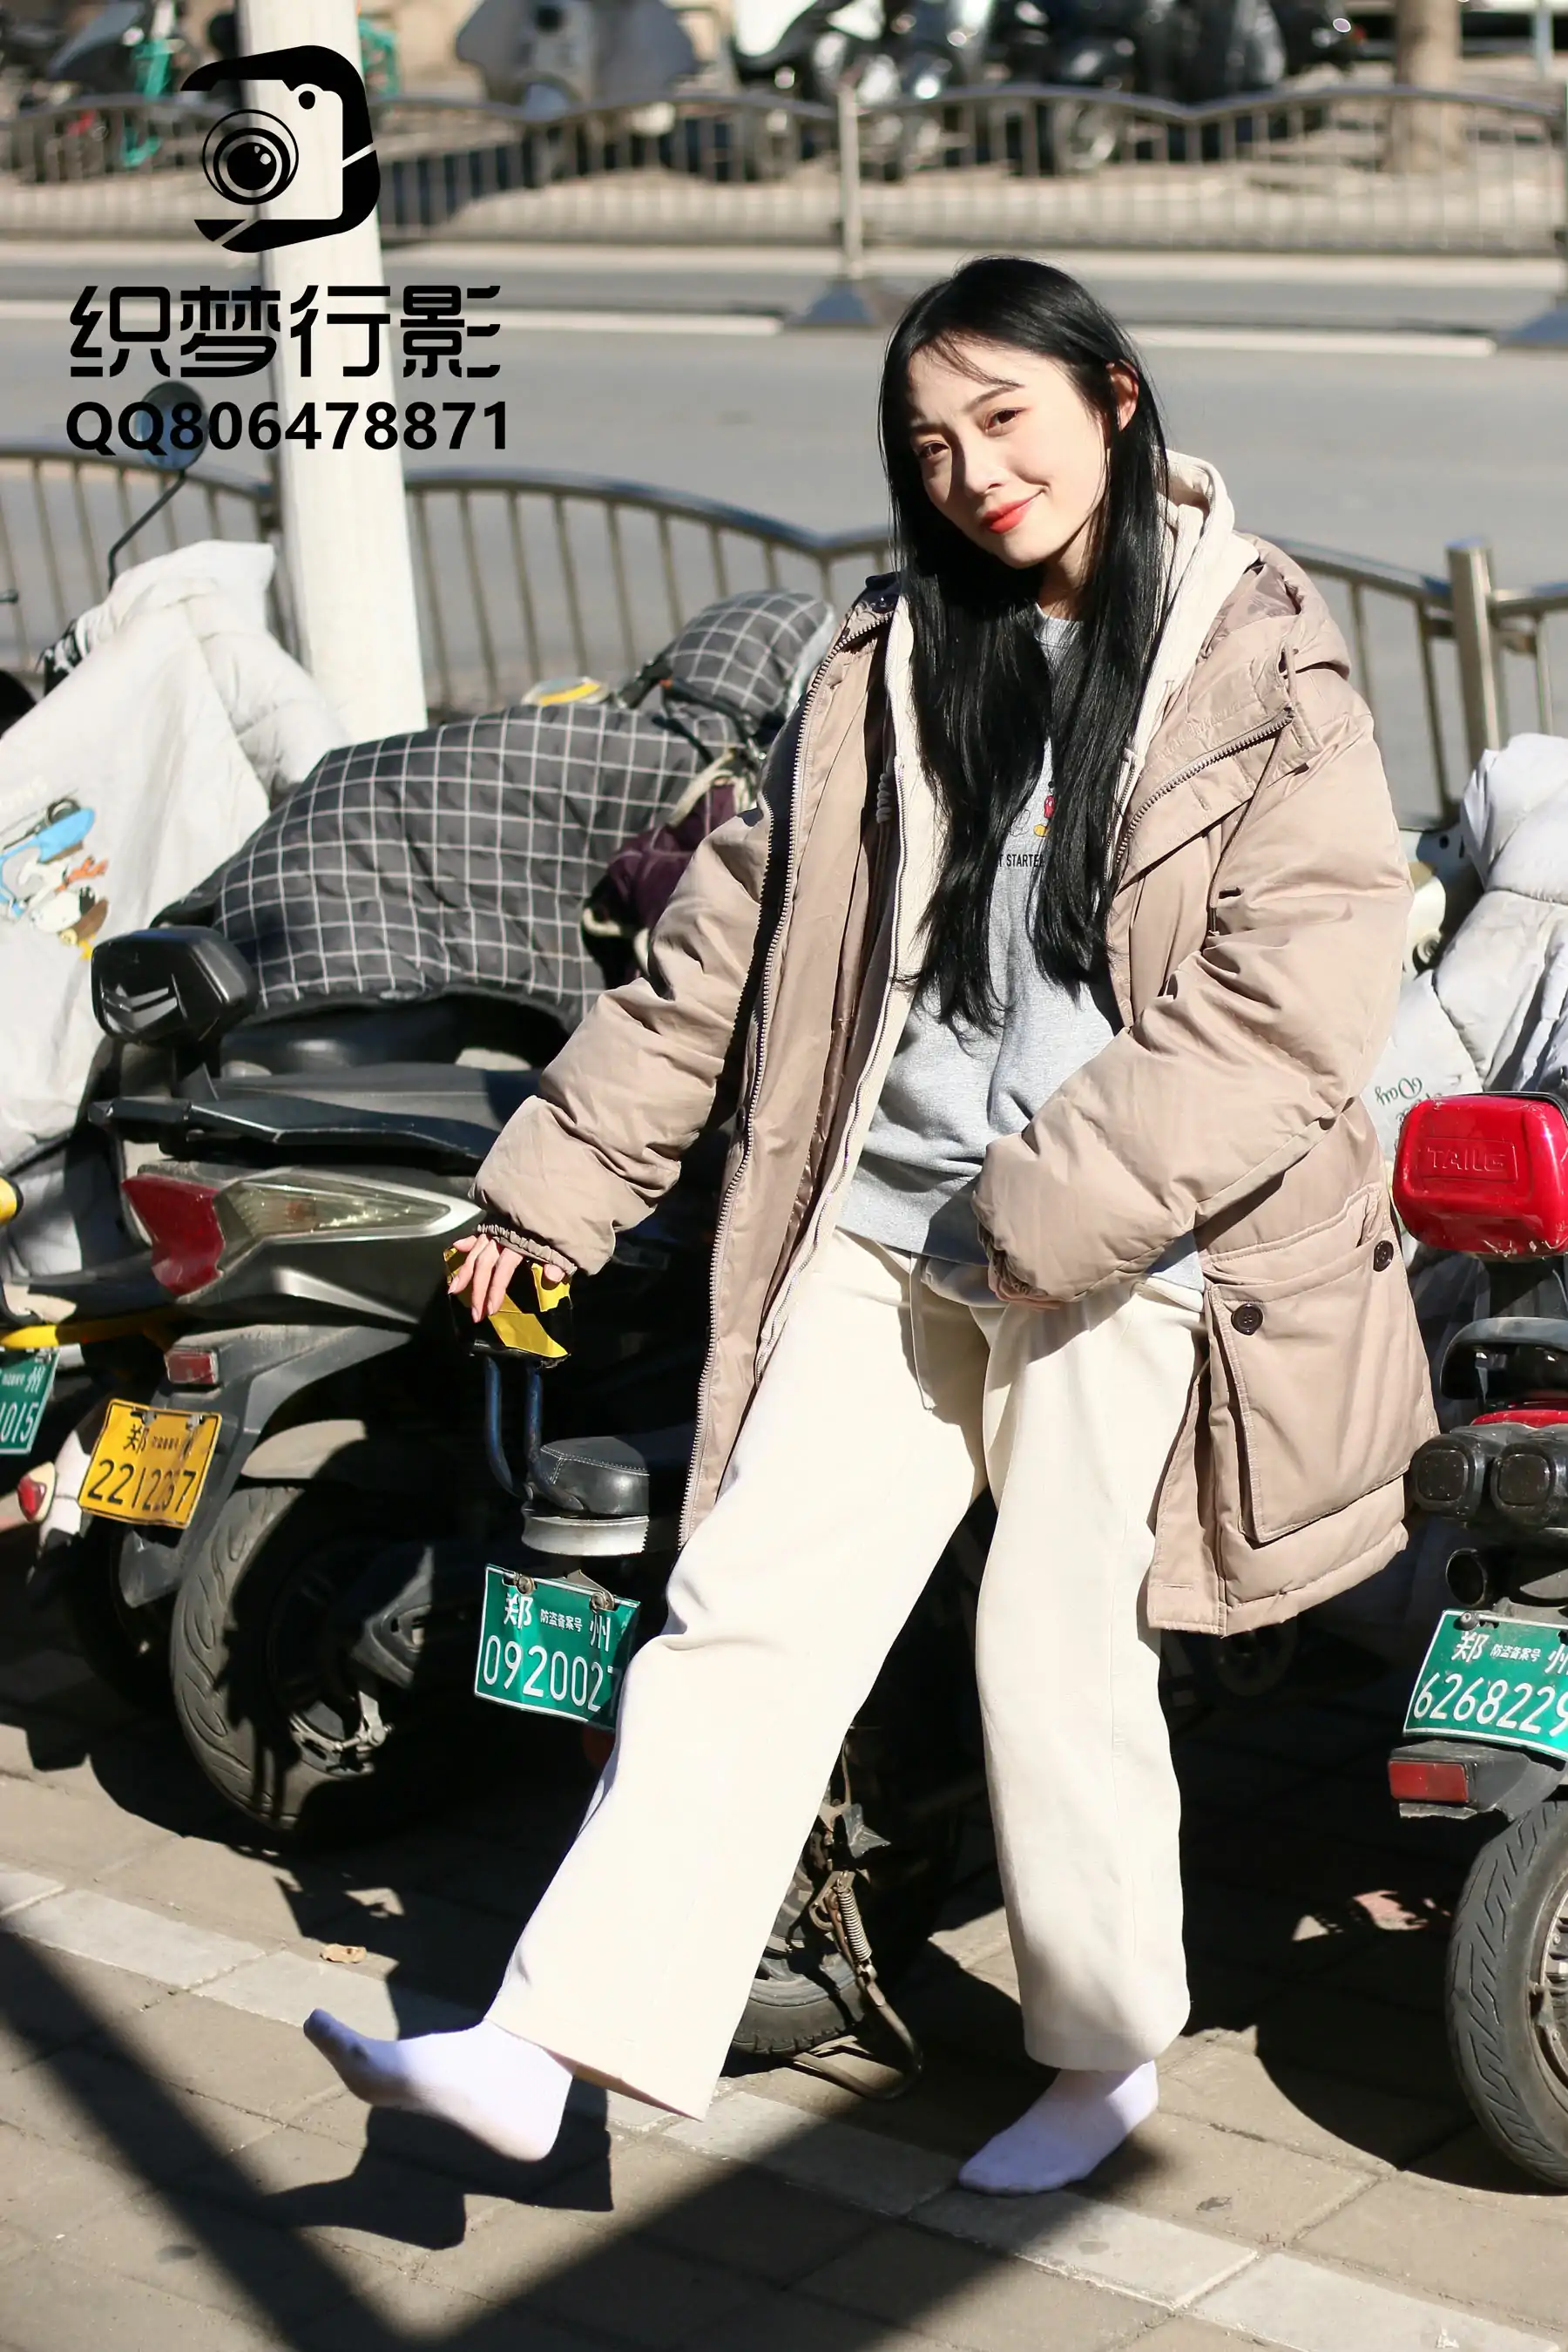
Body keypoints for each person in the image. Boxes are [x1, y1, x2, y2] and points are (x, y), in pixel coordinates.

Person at [302, 256, 1436, 2193]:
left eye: (1007, 418)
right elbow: (725, 945)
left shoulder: (1261, 659)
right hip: (879, 1224)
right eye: (932, 445)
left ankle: (1101, 2061)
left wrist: (1044, 1207)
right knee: (739, 1619)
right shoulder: (890, 655)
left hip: (1124, 1260)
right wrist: (560, 1179)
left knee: (1055, 1661)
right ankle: (547, 2045)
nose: (976, 473)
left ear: (1114, 398)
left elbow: (1294, 1007)